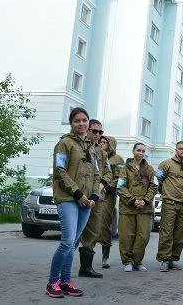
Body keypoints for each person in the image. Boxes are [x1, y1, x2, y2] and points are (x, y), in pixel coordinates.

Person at [45, 107, 100, 298]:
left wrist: (94, 196)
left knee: (74, 242)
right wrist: (78, 194)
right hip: (69, 198)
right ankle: (53, 282)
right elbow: (60, 172)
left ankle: (66, 281)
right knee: (67, 241)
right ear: (71, 123)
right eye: (77, 121)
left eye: (84, 120)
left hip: (87, 201)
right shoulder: (64, 144)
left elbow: (96, 173)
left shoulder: (92, 146)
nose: (81, 124)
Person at [156, 140, 183, 271]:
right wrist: (167, 193)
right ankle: (164, 259)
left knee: (180, 234)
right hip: (169, 202)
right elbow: (159, 180)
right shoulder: (166, 164)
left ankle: (173, 259)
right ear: (176, 150)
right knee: (166, 232)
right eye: (180, 148)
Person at [78, 119, 112, 278]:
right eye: (95, 131)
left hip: (97, 197)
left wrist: (100, 186)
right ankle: (63, 265)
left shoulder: (102, 152)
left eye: (100, 132)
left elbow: (108, 173)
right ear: (87, 130)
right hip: (79, 195)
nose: (98, 135)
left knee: (93, 230)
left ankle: (86, 267)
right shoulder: (78, 147)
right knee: (74, 231)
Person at [117, 142, 157, 272]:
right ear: (133, 151)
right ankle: (128, 261)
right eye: (138, 150)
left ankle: (137, 261)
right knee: (127, 236)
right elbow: (120, 186)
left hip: (144, 208)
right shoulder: (125, 168)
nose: (140, 153)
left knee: (143, 235)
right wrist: (133, 200)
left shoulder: (149, 169)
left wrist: (145, 200)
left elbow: (153, 186)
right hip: (128, 208)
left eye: (142, 151)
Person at [98, 135, 125, 268]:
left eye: (105, 142)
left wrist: (108, 187)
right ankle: (87, 254)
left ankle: (105, 256)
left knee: (104, 224)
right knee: (91, 225)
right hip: (93, 194)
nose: (102, 144)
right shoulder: (96, 155)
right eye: (100, 142)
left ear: (110, 145)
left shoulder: (117, 159)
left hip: (107, 196)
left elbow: (119, 178)